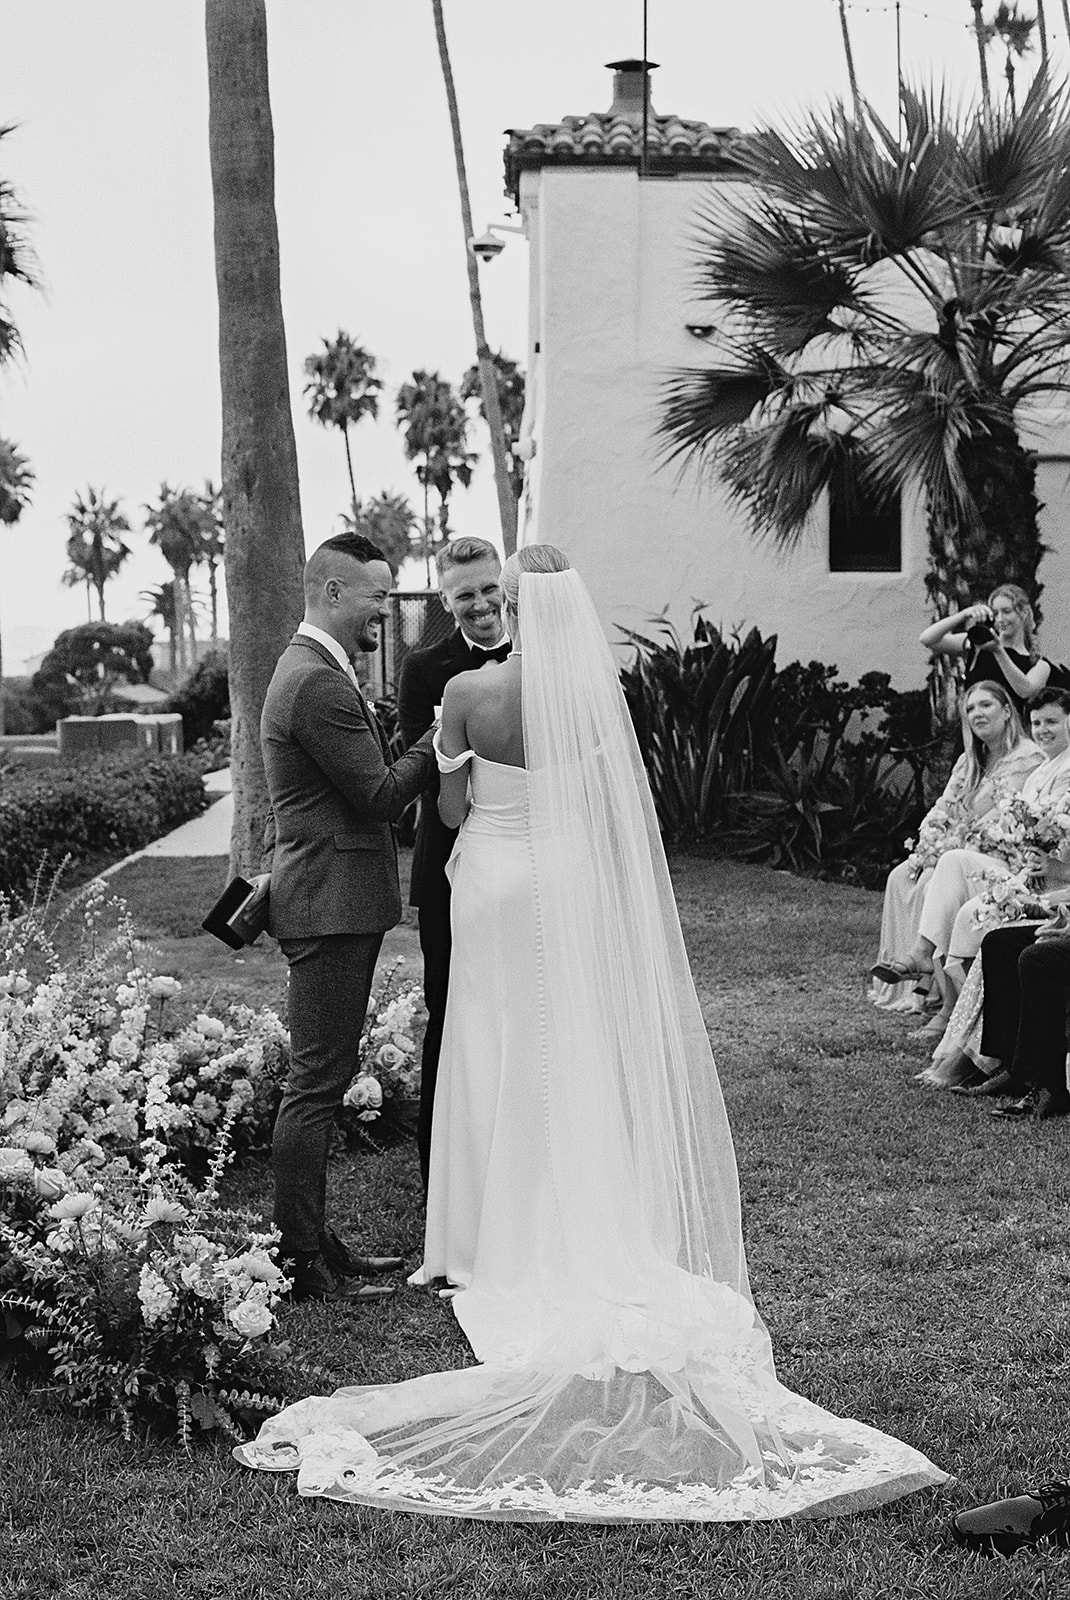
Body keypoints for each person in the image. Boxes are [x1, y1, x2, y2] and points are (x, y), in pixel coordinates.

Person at [237, 545, 946, 1520]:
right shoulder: (590, 695)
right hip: (565, 879)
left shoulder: (468, 692)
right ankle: (577, 1212)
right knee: (564, 1043)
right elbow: (611, 811)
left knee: (490, 1049)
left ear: (511, 606)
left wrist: (453, 755)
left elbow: (445, 806)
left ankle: (490, 1232)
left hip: (489, 879)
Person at [256, 533, 436, 1302]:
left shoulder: (317, 671)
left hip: (332, 902)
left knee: (320, 1080)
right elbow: (381, 795)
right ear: (333, 592)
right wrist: (444, 732)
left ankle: (314, 1240)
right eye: (377, 597)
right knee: (317, 1084)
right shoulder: (317, 683)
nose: (385, 612)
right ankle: (301, 1262)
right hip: (327, 906)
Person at [397, 537, 509, 1190]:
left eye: (489, 587)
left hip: (520, 858)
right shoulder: (423, 666)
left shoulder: (538, 652)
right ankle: (441, 1167)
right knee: (448, 1005)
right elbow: (418, 760)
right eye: (465, 593)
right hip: (447, 865)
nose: (481, 604)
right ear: (446, 601)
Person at [920, 689, 1070, 1090]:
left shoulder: (1065, 772)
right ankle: (979, 1046)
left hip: (1059, 889)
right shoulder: (1041, 773)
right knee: (980, 925)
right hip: (1033, 878)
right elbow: (1019, 830)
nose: (1042, 730)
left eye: (1052, 721)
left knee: (979, 922)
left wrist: (1050, 864)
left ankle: (982, 1052)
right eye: (1037, 722)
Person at [870, 682, 1042, 1029]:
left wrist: (948, 848)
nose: (977, 713)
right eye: (971, 708)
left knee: (935, 879)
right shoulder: (969, 760)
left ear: (1007, 711)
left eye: (986, 705)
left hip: (1001, 856)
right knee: (903, 875)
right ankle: (915, 988)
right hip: (961, 849)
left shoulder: (1027, 758)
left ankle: (941, 996)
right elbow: (942, 808)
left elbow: (1001, 820)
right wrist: (928, 845)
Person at [919, 584, 1050, 717]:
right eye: (995, 613)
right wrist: (964, 614)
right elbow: (927, 639)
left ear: (1024, 612)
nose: (1000, 619)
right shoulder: (979, 646)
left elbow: (1025, 691)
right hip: (975, 729)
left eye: (1006, 611)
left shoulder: (1039, 665)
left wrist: (998, 651)